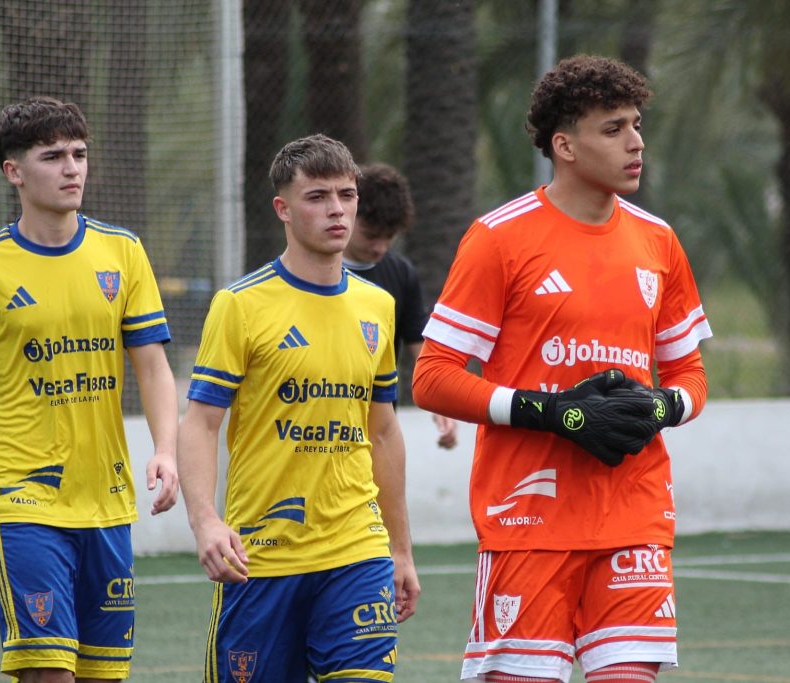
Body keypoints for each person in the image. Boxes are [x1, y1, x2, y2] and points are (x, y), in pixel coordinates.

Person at [412, 54, 712, 683]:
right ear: (564, 146)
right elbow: (433, 377)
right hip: (527, 520)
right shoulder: (498, 238)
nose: (636, 142)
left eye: (636, 125)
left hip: (635, 514)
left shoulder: (659, 241)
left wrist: (660, 407)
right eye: (613, 129)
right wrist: (553, 413)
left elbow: (690, 376)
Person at [0, 96, 179, 683]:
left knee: (100, 675)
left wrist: (165, 450)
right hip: (21, 497)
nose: (72, 168)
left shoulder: (122, 251)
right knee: (47, 672)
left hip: (107, 499)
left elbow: (153, 367)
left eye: (79, 154)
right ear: (14, 171)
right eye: (53, 156)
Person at [177, 134, 421, 683]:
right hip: (263, 556)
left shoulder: (378, 306)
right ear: (283, 209)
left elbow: (383, 432)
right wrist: (206, 520)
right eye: (317, 197)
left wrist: (400, 550)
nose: (337, 209)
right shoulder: (240, 305)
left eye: (346, 195)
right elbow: (201, 423)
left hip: (357, 549)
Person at [343, 162, 458, 449]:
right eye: (371, 235)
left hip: (377, 429)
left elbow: (419, 344)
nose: (380, 247)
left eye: (389, 237)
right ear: (348, 213)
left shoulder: (401, 273)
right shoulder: (315, 269)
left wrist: (441, 404)